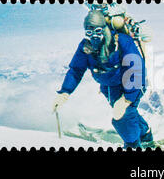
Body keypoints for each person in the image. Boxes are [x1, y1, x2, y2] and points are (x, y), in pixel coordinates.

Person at [52, 10, 153, 149]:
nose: (94, 36)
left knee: (123, 115)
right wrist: (65, 92)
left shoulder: (122, 41)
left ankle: (133, 145)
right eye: (89, 32)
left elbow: (135, 68)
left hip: (133, 83)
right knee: (127, 112)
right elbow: (76, 70)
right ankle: (145, 135)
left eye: (98, 31)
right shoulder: (85, 47)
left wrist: (127, 99)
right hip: (110, 87)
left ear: (104, 28)